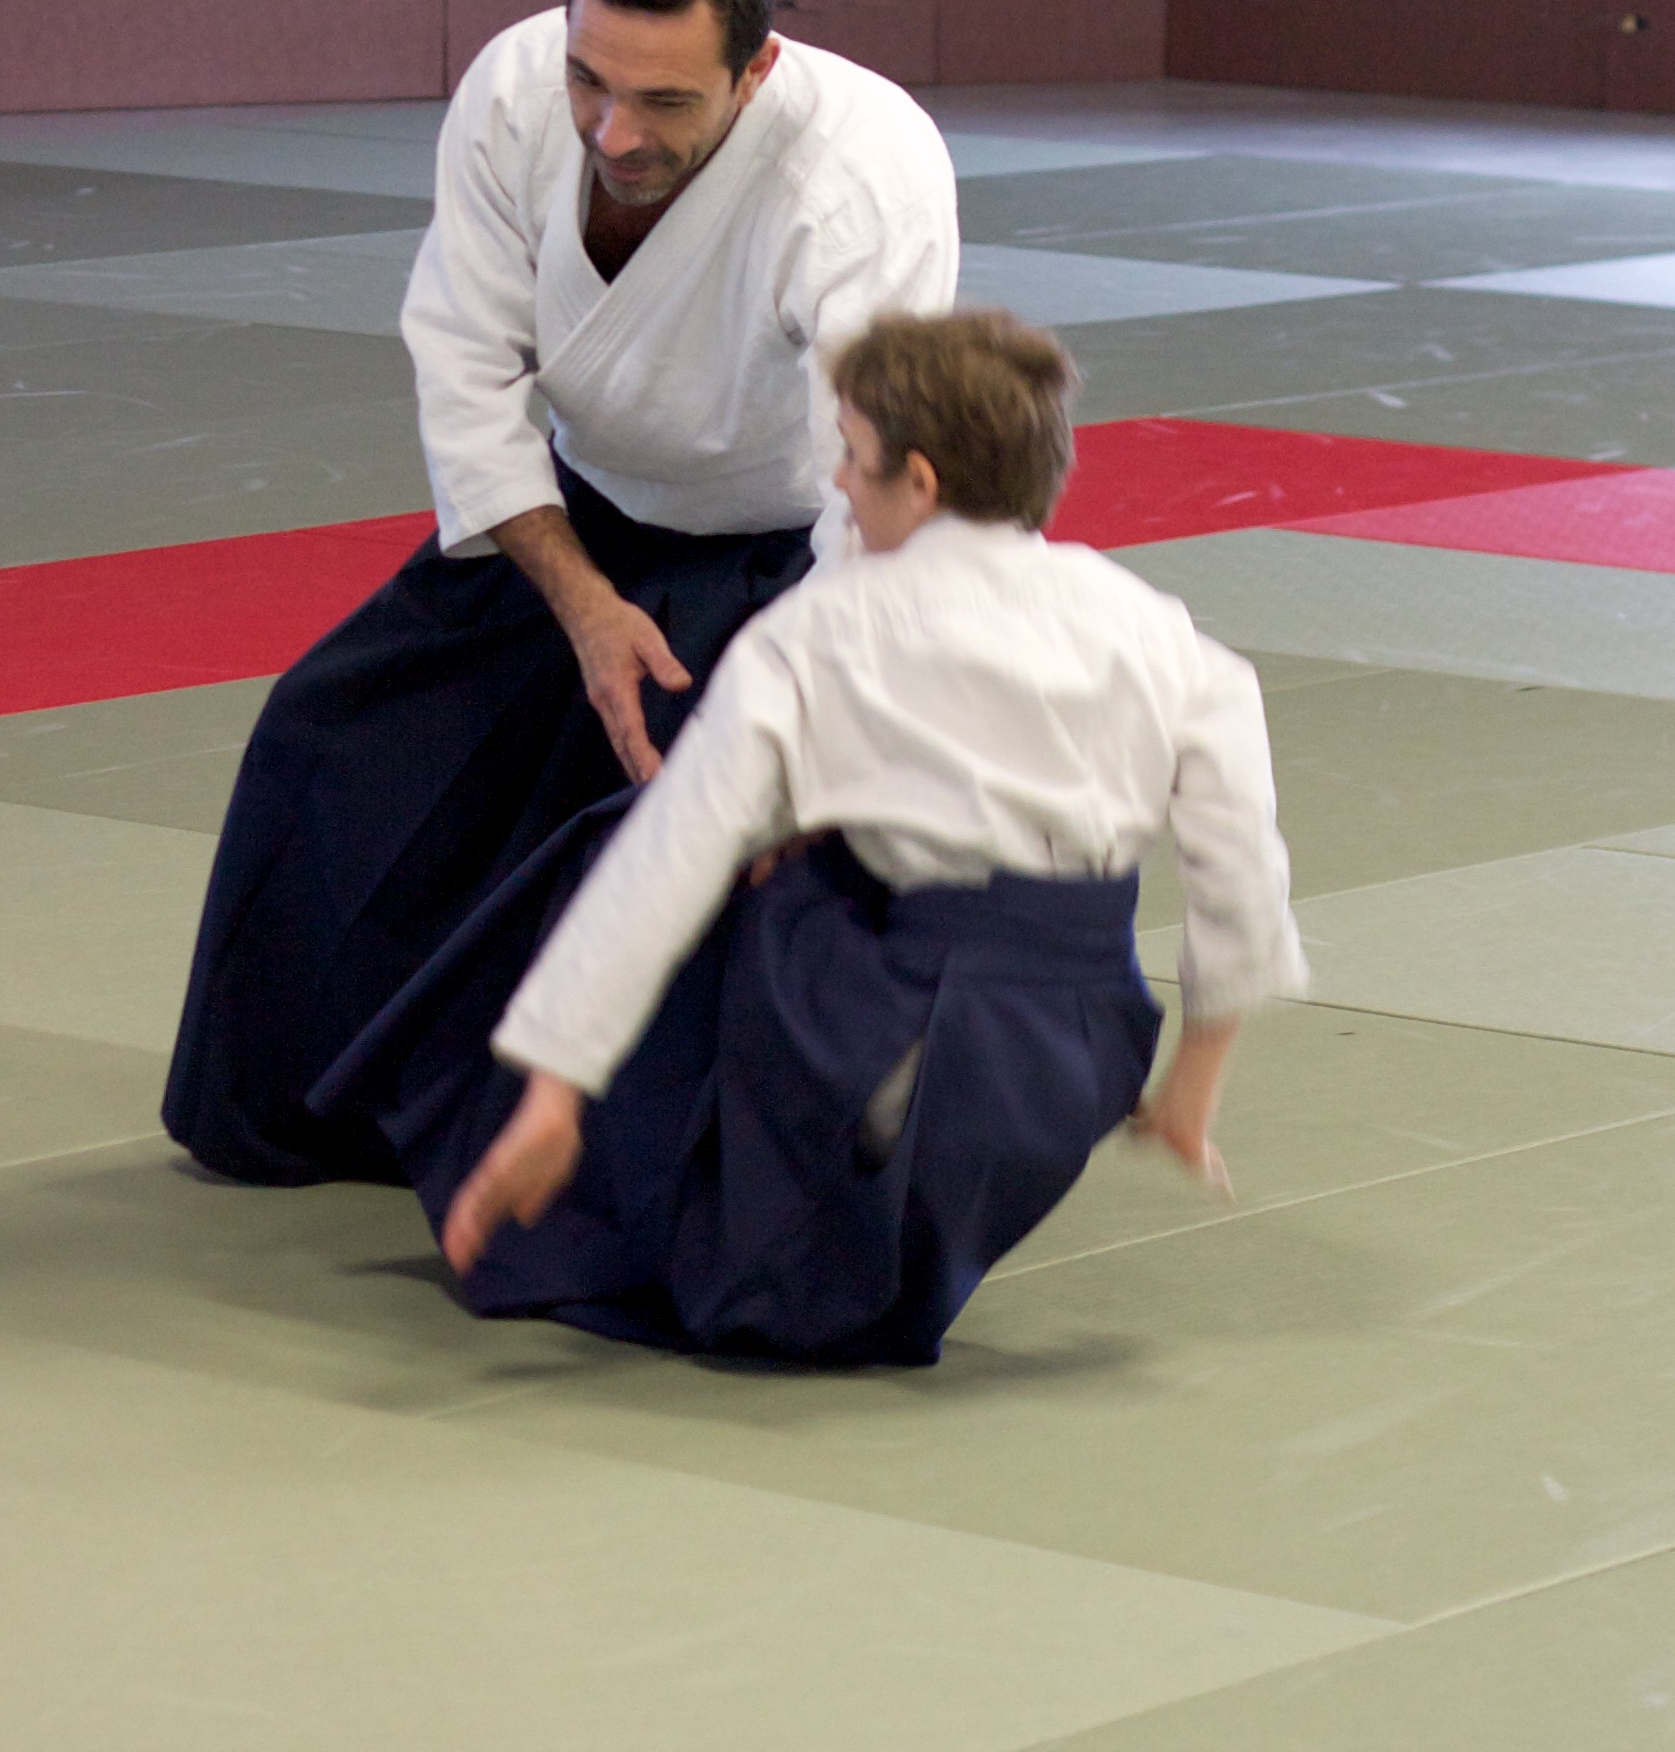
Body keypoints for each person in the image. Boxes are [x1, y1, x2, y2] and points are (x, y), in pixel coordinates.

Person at [323, 309, 1308, 1367]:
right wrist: (1191, 1083)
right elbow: (1238, 868)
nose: (835, 479)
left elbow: (663, 862)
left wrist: (555, 1088)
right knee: (812, 856)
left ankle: (771, 1218)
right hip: (1084, 1055)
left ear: (917, 480)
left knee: (712, 875)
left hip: (905, 1038)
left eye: (850, 452)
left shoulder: (821, 632)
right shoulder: (1156, 626)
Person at [164, 0, 960, 1184]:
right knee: (334, 740)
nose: (613, 130)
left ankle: (663, 1169)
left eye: (664, 101)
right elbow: (465, 365)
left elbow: (873, 490)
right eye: (592, 80)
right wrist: (583, 604)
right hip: (570, 520)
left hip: (785, 559)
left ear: (755, 69)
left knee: (694, 839)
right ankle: (334, 1105)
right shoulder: (513, 88)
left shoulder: (862, 175)